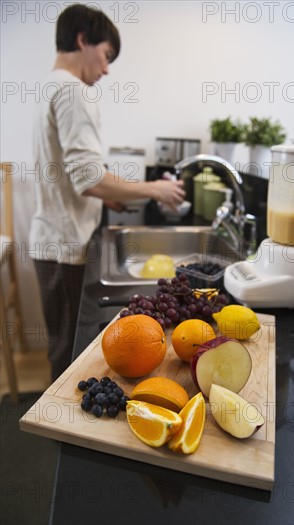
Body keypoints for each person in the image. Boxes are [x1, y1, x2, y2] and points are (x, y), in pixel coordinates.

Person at [29, 4, 185, 381]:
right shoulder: (73, 91)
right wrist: (157, 190)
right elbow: (88, 178)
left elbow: (79, 173)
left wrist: (108, 193)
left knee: (63, 345)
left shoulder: (50, 86)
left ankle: (58, 423)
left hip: (53, 239)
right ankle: (61, 431)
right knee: (68, 356)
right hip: (64, 245)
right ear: (83, 40)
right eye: (106, 55)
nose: (106, 69)